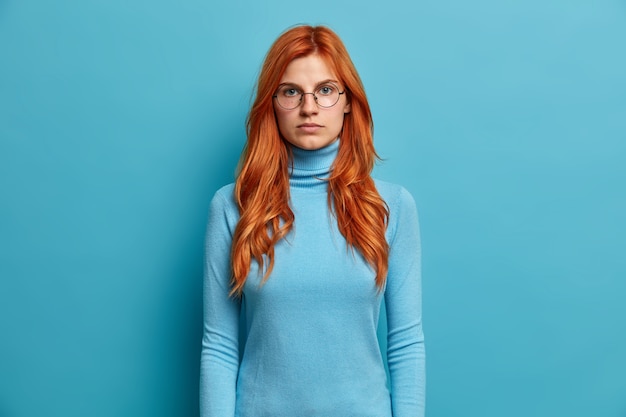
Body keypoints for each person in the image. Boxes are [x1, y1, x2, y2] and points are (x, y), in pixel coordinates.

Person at [200, 25, 425, 417]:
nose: (309, 107)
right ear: (272, 103)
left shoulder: (392, 206)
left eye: (325, 90)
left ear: (348, 101)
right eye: (291, 91)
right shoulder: (232, 207)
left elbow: (406, 342)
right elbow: (218, 345)